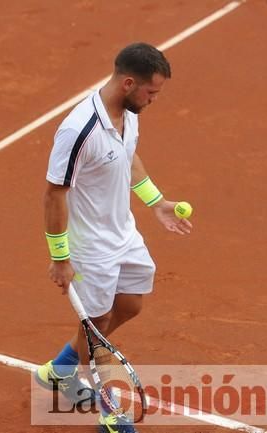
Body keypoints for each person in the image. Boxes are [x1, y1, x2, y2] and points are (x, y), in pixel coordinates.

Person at [35, 42, 192, 433]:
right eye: (151, 92)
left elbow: (129, 156)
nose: (153, 100)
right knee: (99, 319)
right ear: (127, 83)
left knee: (131, 305)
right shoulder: (78, 130)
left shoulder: (128, 114)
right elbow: (55, 193)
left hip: (123, 233)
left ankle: (62, 369)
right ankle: (111, 411)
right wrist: (60, 258)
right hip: (90, 247)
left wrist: (155, 202)